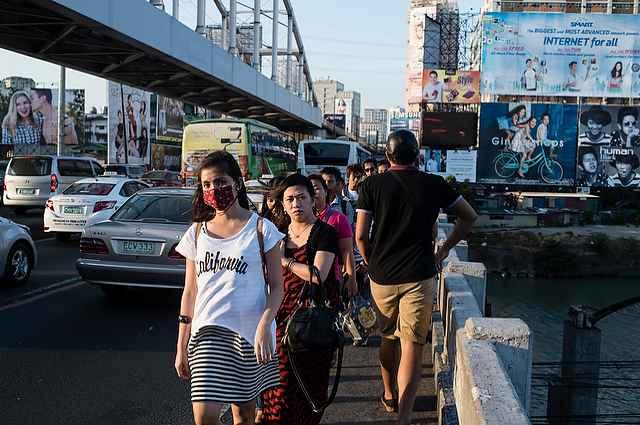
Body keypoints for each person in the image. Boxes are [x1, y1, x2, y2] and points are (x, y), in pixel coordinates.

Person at [356, 130, 477, 425]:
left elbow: (360, 235)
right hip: (419, 275)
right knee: (412, 344)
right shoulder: (434, 184)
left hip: (381, 276)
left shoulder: (370, 184)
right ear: (418, 156)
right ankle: (405, 418)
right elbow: (469, 216)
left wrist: (373, 264)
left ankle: (388, 393)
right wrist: (443, 251)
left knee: (387, 336)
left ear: (387, 156)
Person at [174, 151, 285, 425]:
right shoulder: (197, 232)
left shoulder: (262, 229)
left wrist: (265, 324)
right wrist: (181, 345)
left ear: (237, 182)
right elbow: (190, 292)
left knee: (244, 413)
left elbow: (277, 287)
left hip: (249, 336)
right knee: (205, 417)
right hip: (207, 334)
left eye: (220, 181)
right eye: (207, 185)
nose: (213, 190)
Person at [262, 174, 341, 425]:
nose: (296, 204)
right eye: (290, 199)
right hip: (280, 317)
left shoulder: (324, 232)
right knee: (279, 385)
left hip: (312, 323)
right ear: (282, 205)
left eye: (301, 197)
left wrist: (286, 261)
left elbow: (318, 275)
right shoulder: (276, 234)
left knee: (312, 388)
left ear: (313, 200)